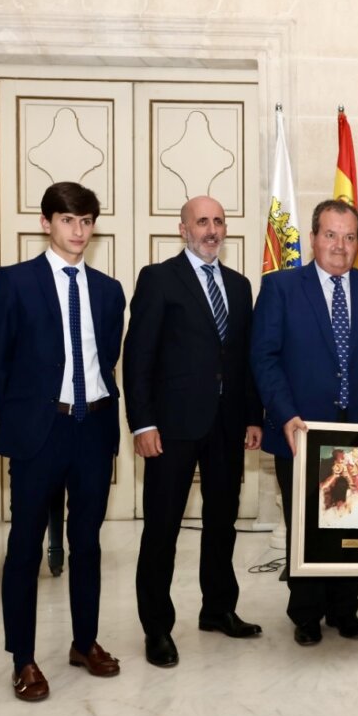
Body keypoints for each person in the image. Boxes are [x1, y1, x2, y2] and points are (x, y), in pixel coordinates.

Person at [0, 181, 126, 701]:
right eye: (68, 220)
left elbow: (106, 359)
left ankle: (84, 643)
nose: (78, 231)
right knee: (24, 547)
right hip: (39, 432)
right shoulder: (14, 283)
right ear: (47, 223)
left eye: (86, 221)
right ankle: (22, 658)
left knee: (87, 544)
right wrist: (25, 421)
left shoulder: (110, 291)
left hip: (93, 429)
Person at [251, 199, 358, 645]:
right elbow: (264, 360)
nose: (339, 246)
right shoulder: (281, 288)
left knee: (354, 520)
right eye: (330, 235)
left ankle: (345, 609)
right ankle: (305, 613)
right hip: (301, 430)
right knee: (307, 523)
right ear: (313, 238)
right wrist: (285, 415)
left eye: (349, 236)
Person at [123, 196, 265, 668]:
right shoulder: (158, 279)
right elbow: (138, 356)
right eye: (201, 221)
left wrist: (251, 416)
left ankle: (218, 608)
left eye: (218, 221)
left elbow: (244, 361)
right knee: (162, 528)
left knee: (222, 524)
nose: (211, 229)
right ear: (182, 228)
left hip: (226, 427)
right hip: (172, 428)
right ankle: (157, 628)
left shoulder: (240, 286)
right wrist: (143, 422)